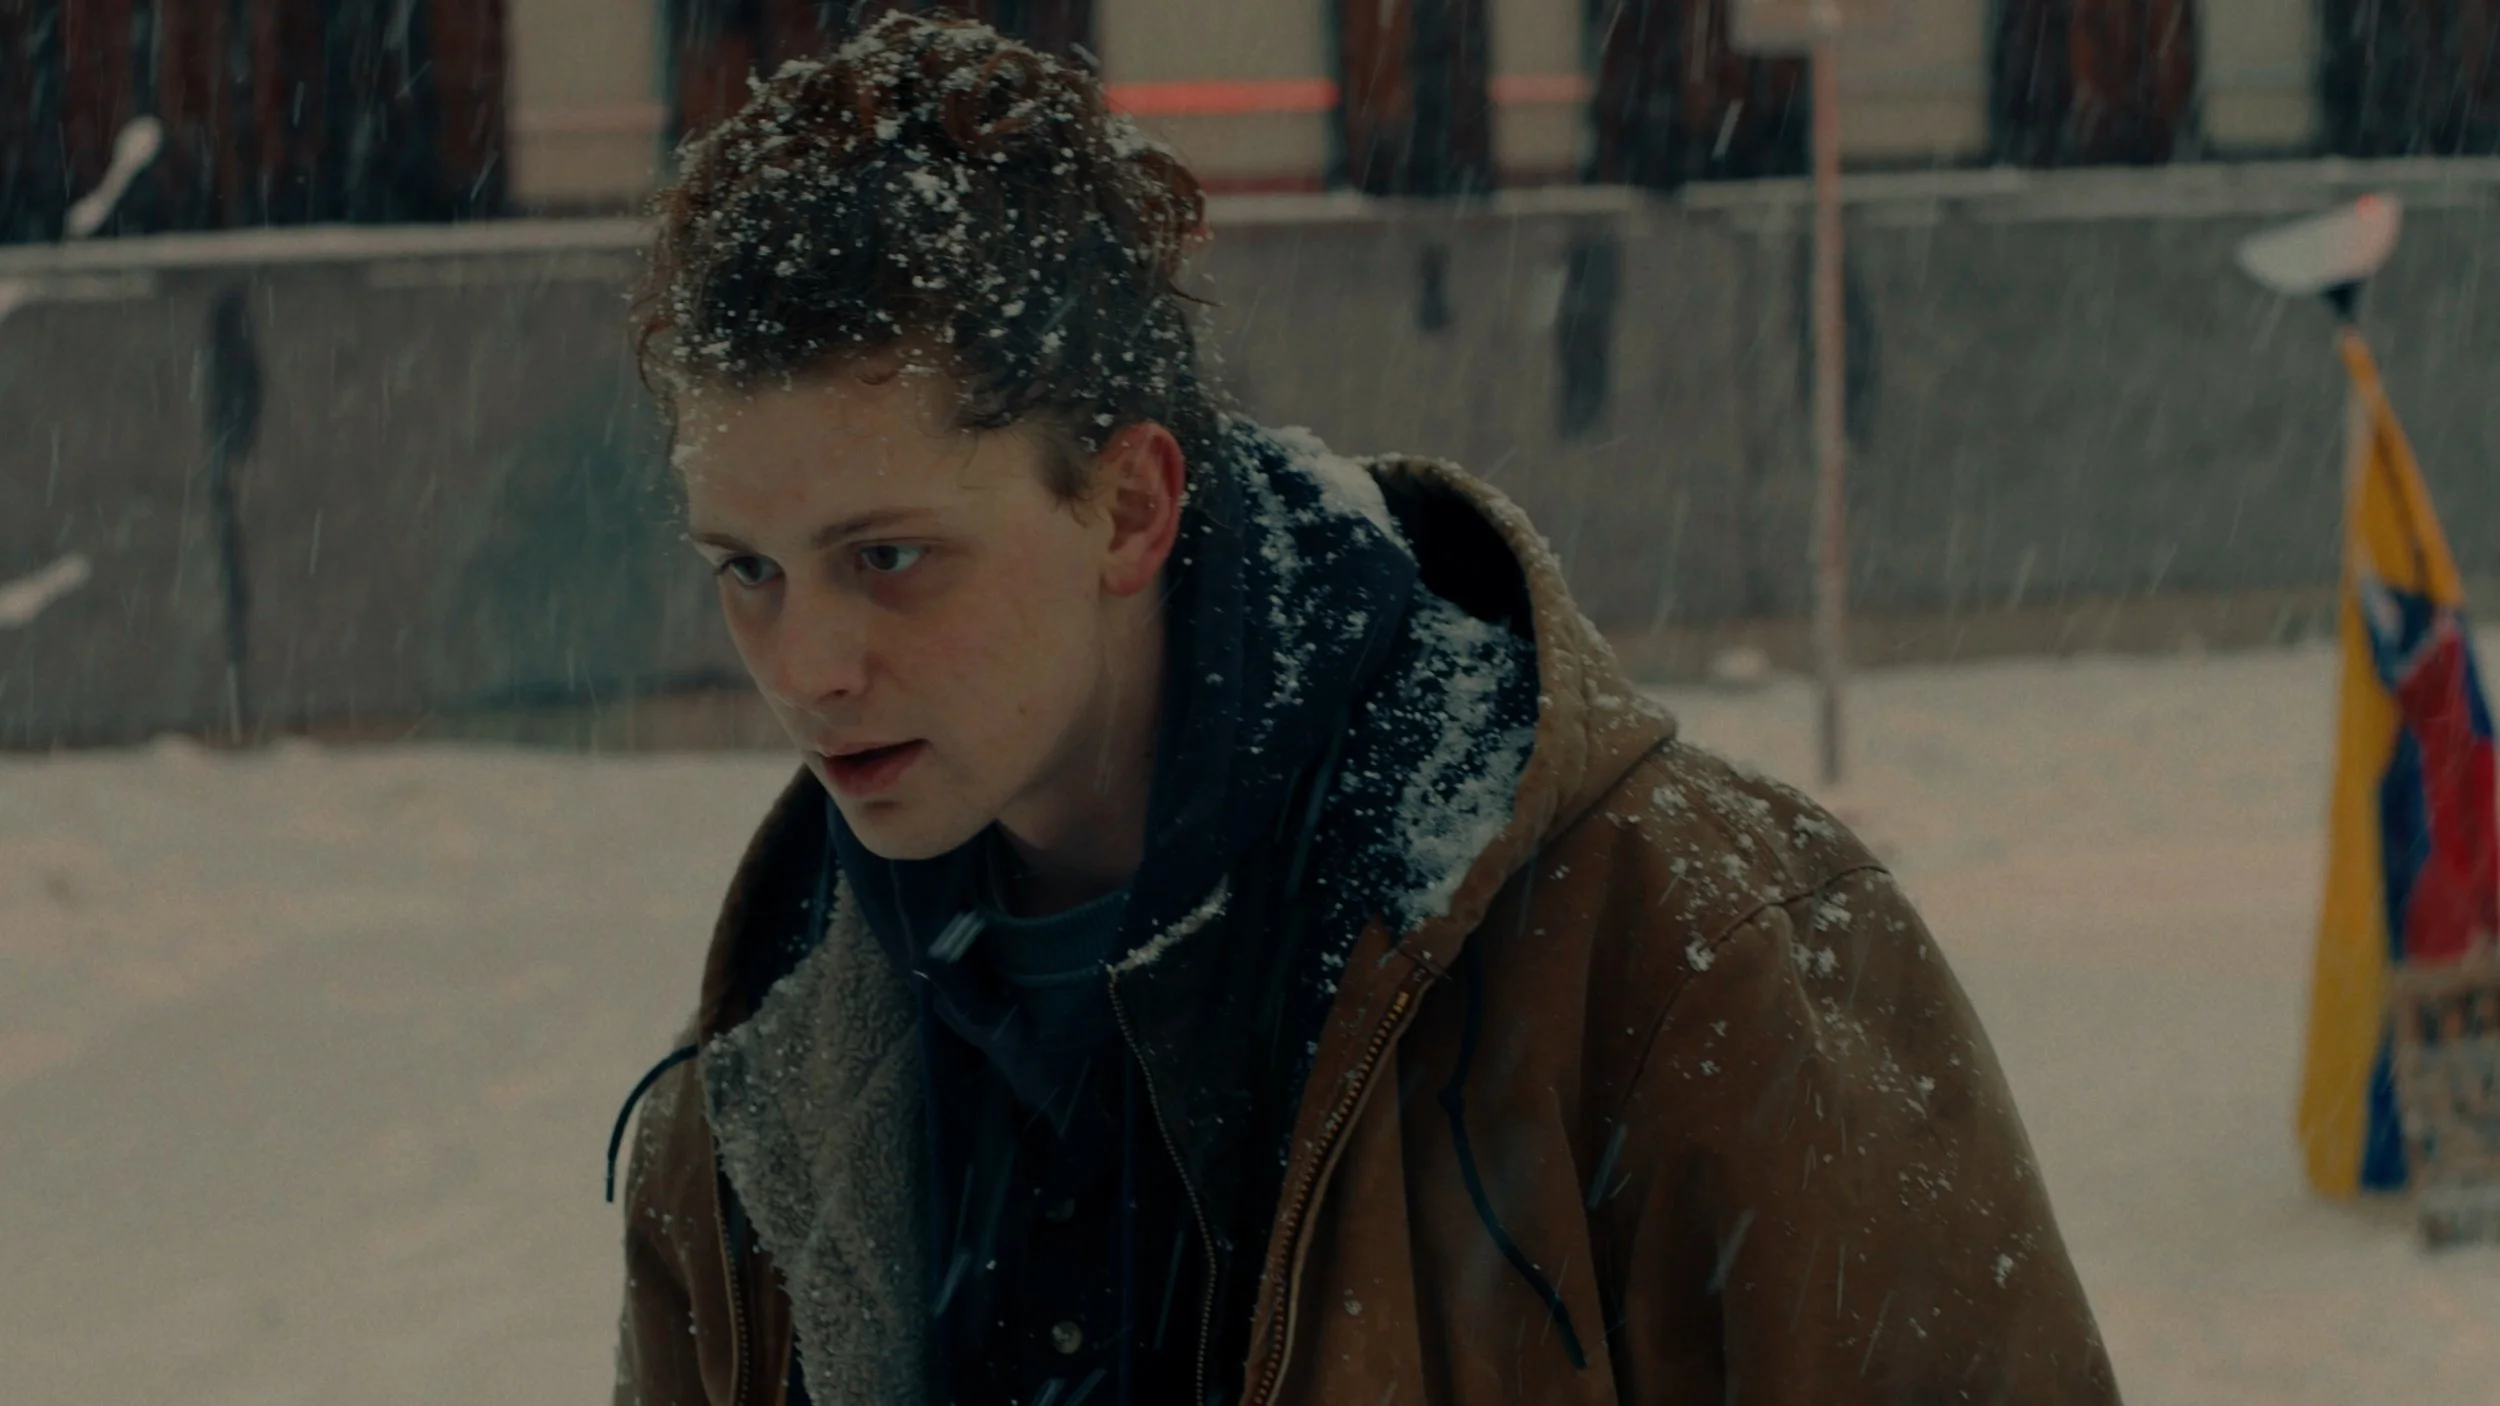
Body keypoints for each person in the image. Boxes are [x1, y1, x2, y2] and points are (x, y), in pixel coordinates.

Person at [609, 13, 2118, 1406]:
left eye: (889, 558)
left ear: (1129, 506)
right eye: (746, 569)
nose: (805, 666)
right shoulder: (760, 1091)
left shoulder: (1680, 955)